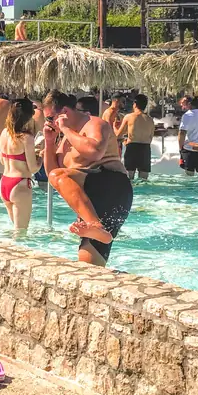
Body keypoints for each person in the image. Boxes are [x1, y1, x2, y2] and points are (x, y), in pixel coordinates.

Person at [42, 90, 132, 267]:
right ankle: (96, 228)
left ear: (65, 113)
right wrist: (49, 141)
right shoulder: (67, 138)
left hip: (110, 187)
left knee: (93, 251)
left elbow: (95, 152)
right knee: (89, 266)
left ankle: (95, 226)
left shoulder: (94, 124)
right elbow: (54, 175)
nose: (50, 123)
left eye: (50, 118)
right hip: (91, 202)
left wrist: (66, 128)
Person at [0, 98, 38, 232]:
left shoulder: (4, 133)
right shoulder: (27, 138)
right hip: (20, 184)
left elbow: (2, 161)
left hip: (4, 183)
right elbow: (33, 168)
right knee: (21, 232)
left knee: (16, 230)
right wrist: (42, 157)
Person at [116, 94, 155, 180]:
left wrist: (115, 129)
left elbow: (118, 134)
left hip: (132, 147)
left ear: (135, 104)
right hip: (145, 148)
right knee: (144, 178)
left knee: (129, 176)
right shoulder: (150, 120)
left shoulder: (129, 117)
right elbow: (150, 137)